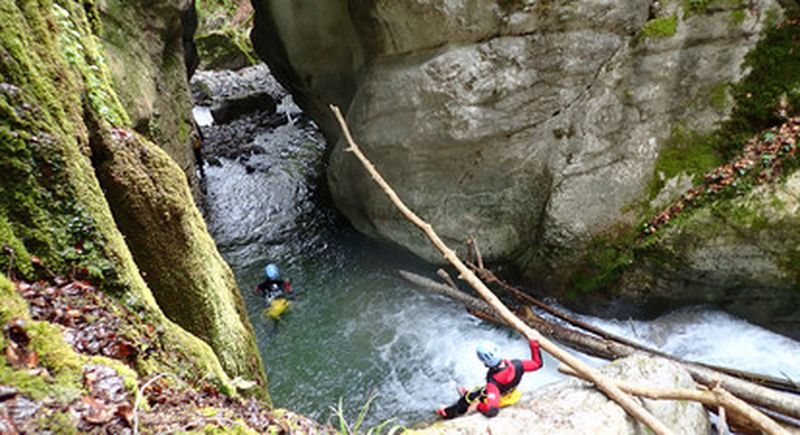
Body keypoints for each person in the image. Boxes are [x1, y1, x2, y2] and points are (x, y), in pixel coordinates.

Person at [436, 333, 543, 419]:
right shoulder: (517, 365)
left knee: (468, 398)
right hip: (511, 392)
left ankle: (448, 412)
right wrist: (534, 343)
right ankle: (471, 395)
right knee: (479, 390)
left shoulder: (493, 382)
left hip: (501, 398)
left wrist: (478, 406)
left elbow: (492, 410)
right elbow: (537, 364)